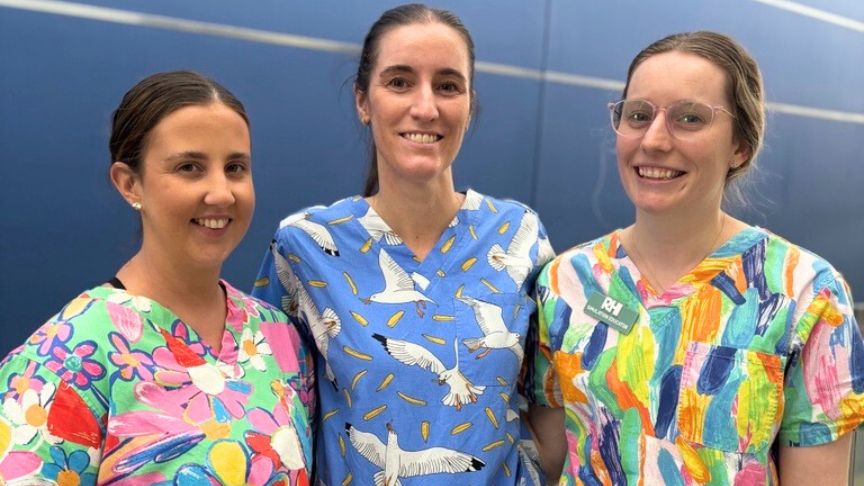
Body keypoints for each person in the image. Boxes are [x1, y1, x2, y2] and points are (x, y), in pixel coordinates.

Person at [528, 30, 864, 485]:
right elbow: (552, 456)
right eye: (638, 114)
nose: (655, 139)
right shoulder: (567, 282)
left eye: (690, 118)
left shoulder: (804, 293)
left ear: (741, 146)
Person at [253, 4, 554, 484]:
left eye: (448, 85)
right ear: (363, 101)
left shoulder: (519, 236)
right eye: (399, 81)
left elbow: (553, 412)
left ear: (470, 103)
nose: (426, 106)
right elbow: (270, 420)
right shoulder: (305, 245)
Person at [0, 71, 313, 484]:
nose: (221, 192)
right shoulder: (70, 353)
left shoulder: (280, 340)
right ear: (130, 184)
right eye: (189, 167)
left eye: (235, 167)